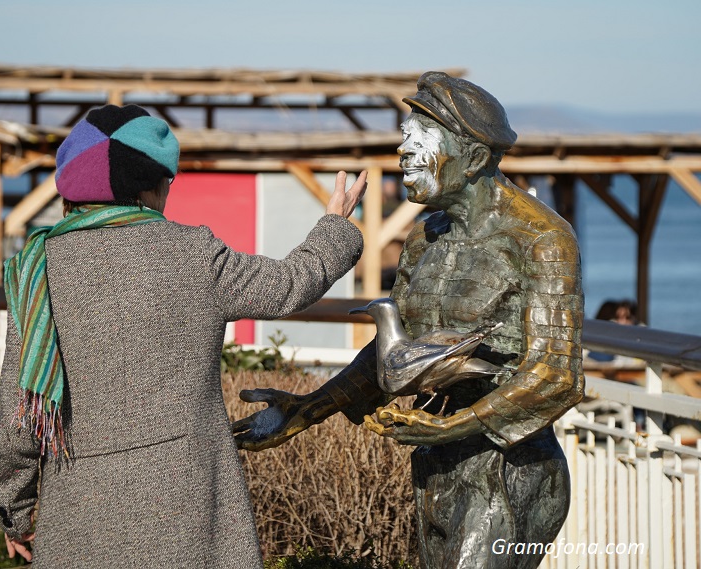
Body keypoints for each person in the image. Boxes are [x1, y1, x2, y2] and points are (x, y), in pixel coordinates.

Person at [0, 104, 367, 568]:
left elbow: (19, 416)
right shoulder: (194, 254)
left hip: (79, 518)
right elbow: (289, 285)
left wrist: (15, 512)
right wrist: (336, 224)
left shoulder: (37, 271)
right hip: (192, 506)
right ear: (152, 185)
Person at [234, 72, 584, 569]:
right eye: (405, 139)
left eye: (419, 143)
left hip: (509, 469)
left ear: (475, 158)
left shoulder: (542, 240)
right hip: (435, 462)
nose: (403, 154)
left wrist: (453, 426)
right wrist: (306, 410)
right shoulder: (425, 237)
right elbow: (393, 353)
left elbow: (556, 374)